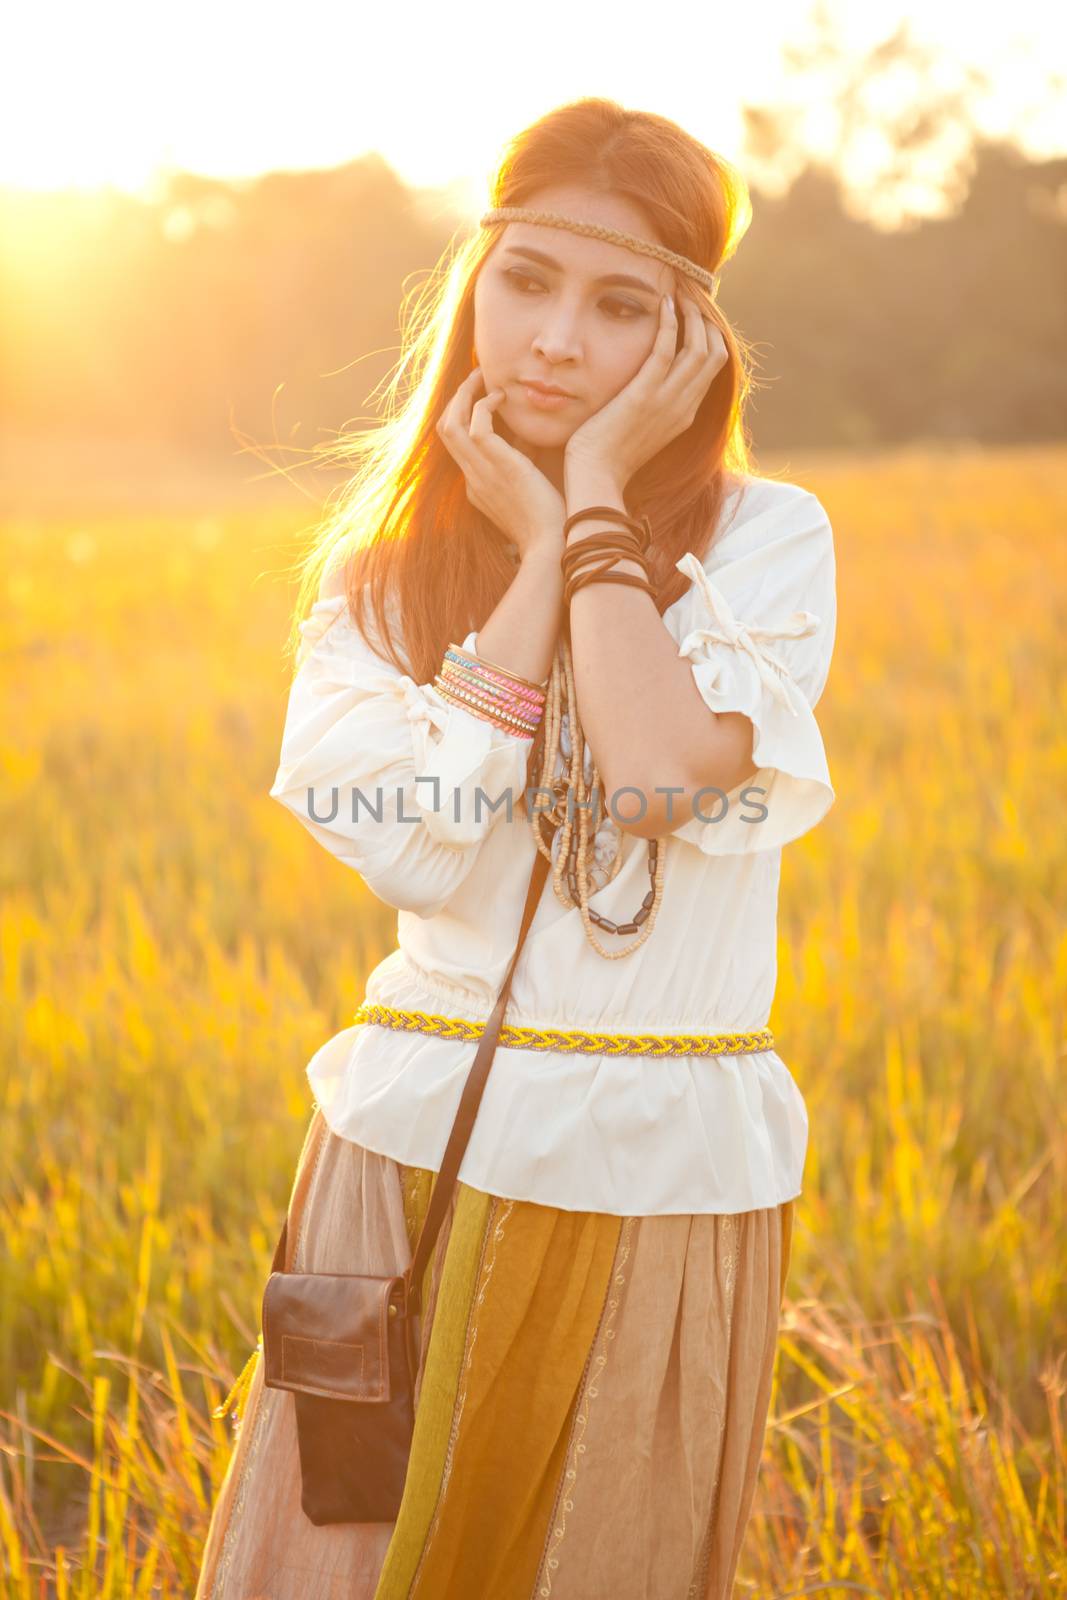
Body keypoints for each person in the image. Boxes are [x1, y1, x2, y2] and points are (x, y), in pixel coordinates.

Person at [195, 94, 836, 1600]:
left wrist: (596, 501)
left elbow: (667, 780)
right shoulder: (370, 584)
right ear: (473, 286)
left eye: (622, 307)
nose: (554, 340)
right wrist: (533, 568)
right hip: (409, 1159)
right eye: (526, 281)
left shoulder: (768, 540)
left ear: (689, 340)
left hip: (656, 1173)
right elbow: (415, 851)